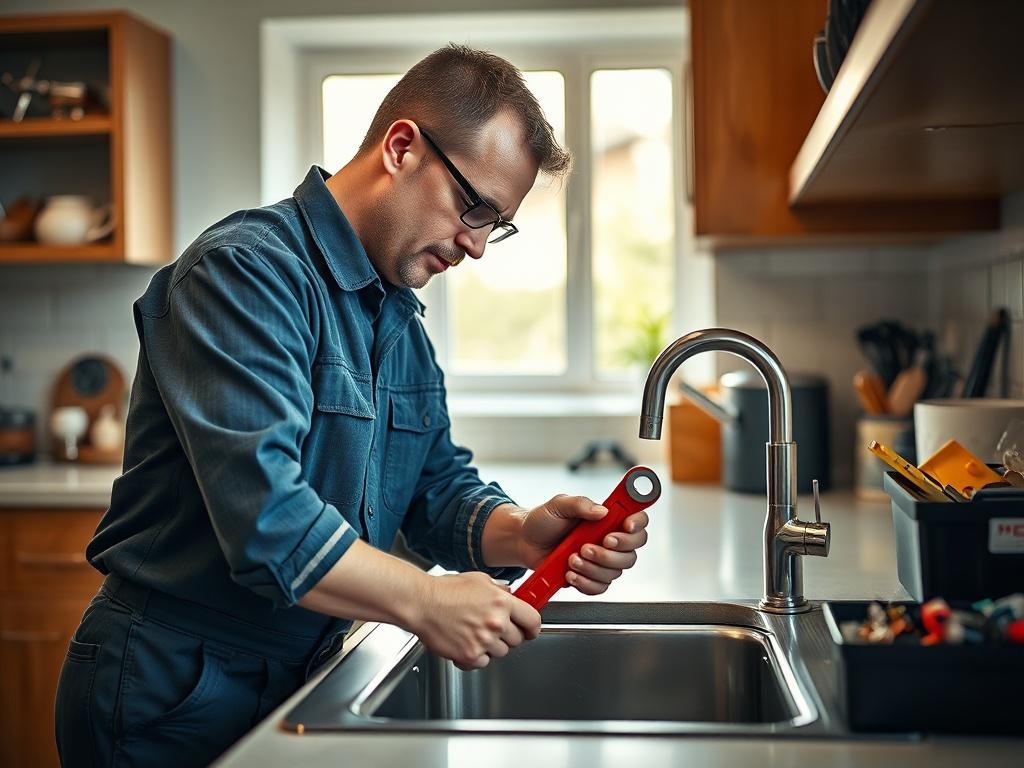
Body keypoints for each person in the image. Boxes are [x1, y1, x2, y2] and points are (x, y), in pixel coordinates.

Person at [54, 44, 650, 768]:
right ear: (402, 146)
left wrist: (523, 535)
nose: (479, 245)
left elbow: (436, 489)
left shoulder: (398, 317)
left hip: (301, 676)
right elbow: (269, 523)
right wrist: (426, 602)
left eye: (498, 222)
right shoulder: (244, 273)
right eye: (474, 207)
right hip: (171, 688)